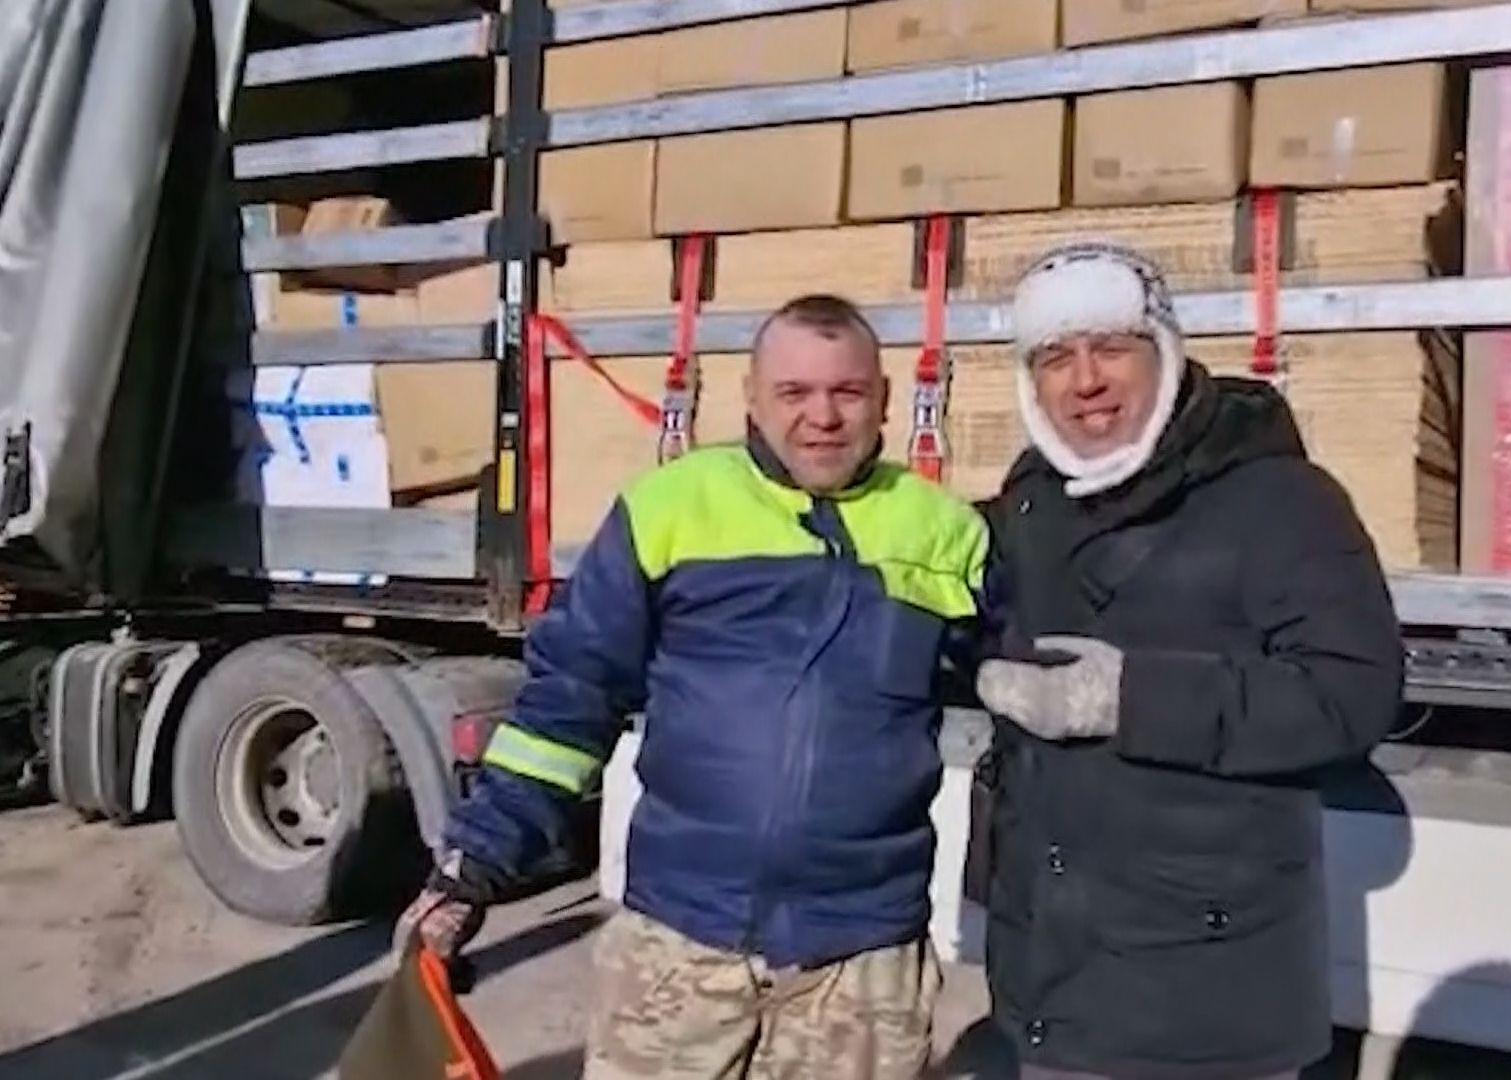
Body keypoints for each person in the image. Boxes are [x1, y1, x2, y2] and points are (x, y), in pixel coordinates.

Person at [396, 294, 995, 1080]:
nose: (823, 416)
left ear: (884, 398)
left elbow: (1026, 692)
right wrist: (473, 865)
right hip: (679, 940)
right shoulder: (672, 507)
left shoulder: (946, 533)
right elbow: (570, 697)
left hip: (862, 959)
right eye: (794, 393)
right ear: (750, 397)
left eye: (847, 392)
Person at [969, 242, 1405, 1079]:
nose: (1085, 380)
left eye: (1112, 348)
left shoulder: (1281, 498)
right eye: (1056, 357)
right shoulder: (1031, 502)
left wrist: (1129, 699)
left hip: (1208, 1006)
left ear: (1163, 351)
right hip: (1056, 987)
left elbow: (1353, 693)